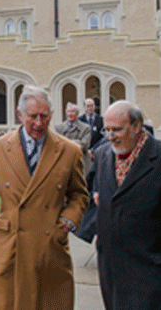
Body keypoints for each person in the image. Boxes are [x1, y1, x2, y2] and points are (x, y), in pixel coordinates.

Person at [0, 85, 88, 309]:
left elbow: (79, 195)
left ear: (51, 115)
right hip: (11, 248)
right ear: (20, 115)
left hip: (50, 248)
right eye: (33, 117)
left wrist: (67, 221)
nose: (39, 123)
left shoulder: (70, 151)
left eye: (44, 116)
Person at [94, 101, 161, 309]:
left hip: (154, 277)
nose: (110, 136)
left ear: (137, 126)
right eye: (106, 129)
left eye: (117, 129)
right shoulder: (103, 155)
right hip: (113, 276)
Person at [53, 103, 96, 244]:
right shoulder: (59, 128)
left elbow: (85, 145)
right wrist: (74, 142)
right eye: (69, 112)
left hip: (81, 164)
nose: (71, 114)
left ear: (77, 114)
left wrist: (68, 143)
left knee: (81, 190)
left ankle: (81, 215)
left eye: (73, 112)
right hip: (64, 163)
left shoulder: (86, 128)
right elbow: (56, 145)